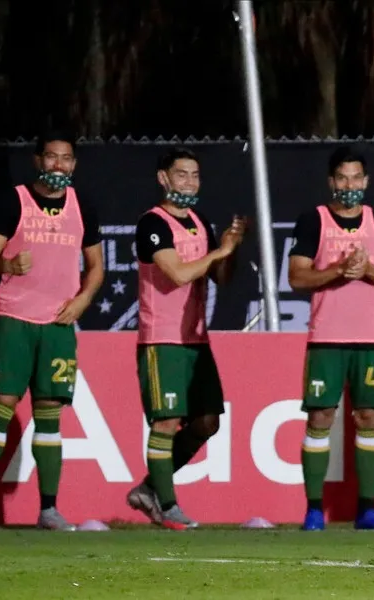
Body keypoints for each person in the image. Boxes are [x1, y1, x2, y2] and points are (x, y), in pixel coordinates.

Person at [0, 130, 105, 532]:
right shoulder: (13, 200)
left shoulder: (83, 205)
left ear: (74, 164)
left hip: (58, 324)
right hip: (15, 319)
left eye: (67, 159)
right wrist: (6, 265)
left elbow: (96, 267)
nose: (60, 165)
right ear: (38, 161)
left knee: (50, 414)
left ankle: (49, 509)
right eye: (52, 157)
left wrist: (82, 301)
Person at [125, 148, 246, 530]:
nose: (190, 182)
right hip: (162, 339)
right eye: (182, 175)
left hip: (196, 339)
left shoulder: (200, 221)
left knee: (207, 422)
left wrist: (230, 250)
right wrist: (219, 252)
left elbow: (220, 278)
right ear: (163, 178)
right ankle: (168, 505)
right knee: (166, 421)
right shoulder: (152, 223)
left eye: (195, 175)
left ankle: (149, 489)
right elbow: (177, 274)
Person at [287, 146, 374, 531]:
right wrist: (338, 269)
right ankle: (314, 509)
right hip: (326, 338)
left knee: (369, 417)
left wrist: (365, 268)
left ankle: (367, 509)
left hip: (371, 339)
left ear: (366, 182)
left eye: (356, 178)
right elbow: (297, 278)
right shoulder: (312, 221)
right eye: (342, 178)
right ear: (331, 182)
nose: (349, 185)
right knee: (321, 417)